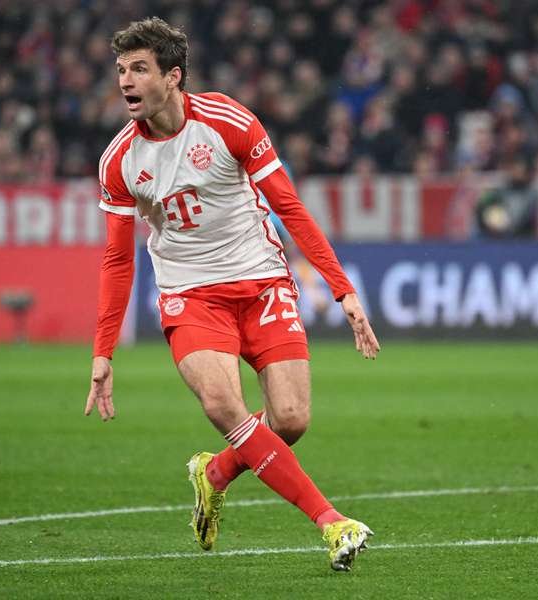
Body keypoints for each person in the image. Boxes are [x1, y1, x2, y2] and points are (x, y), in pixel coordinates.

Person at [83, 17, 381, 572]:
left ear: (173, 76)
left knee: (291, 420)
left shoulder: (229, 121)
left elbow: (289, 208)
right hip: (190, 296)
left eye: (139, 68)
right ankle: (331, 522)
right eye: (121, 69)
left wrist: (343, 291)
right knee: (224, 405)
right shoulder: (119, 161)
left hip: (262, 281)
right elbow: (118, 259)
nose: (125, 80)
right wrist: (103, 352)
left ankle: (214, 472)